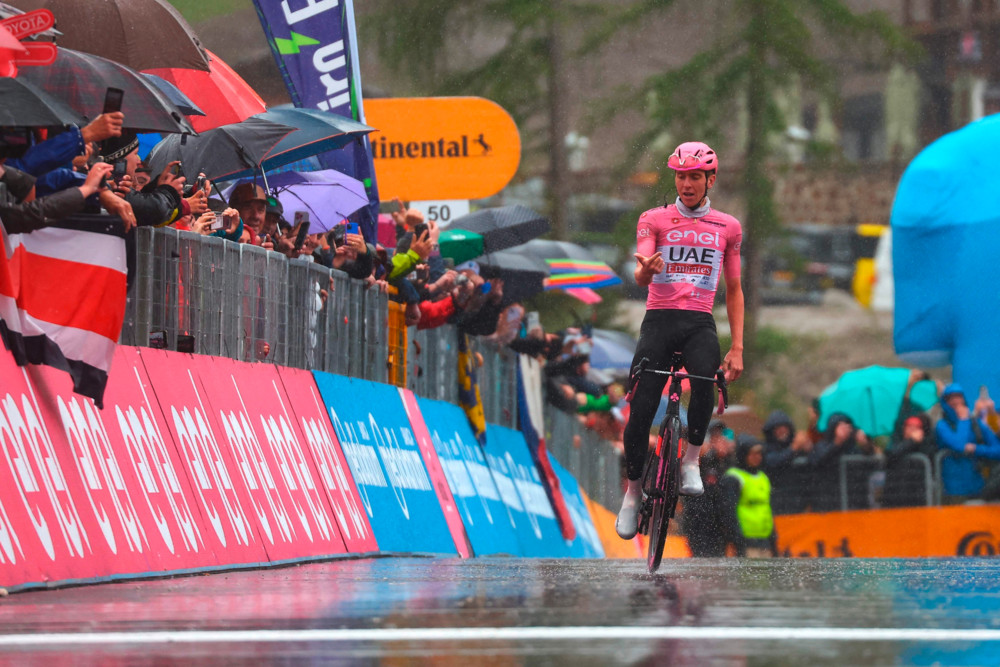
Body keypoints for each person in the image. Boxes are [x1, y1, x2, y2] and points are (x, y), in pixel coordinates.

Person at [616, 141, 744, 540]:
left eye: (695, 177)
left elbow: (736, 289)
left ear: (710, 180)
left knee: (705, 378)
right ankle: (633, 495)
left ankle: (690, 459)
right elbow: (641, 271)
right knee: (640, 410)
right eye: (681, 176)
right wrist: (645, 270)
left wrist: (738, 347)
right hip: (659, 320)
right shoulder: (653, 218)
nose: (687, 184)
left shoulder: (728, 227)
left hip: (699, 323)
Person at [935, 384, 1000, 502]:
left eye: (959, 397)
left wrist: (977, 449)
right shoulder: (942, 425)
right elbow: (959, 445)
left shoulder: (976, 423)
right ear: (945, 402)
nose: (956, 401)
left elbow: (997, 449)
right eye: (951, 398)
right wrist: (963, 420)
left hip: (979, 485)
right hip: (954, 490)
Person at [682, 420, 735, 557]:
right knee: (700, 560)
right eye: (714, 436)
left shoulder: (724, 461)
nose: (718, 440)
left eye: (720, 435)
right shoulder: (697, 460)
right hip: (697, 523)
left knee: (717, 561)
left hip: (718, 523)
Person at [721, 434, 777, 557]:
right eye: (752, 453)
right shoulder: (733, 477)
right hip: (745, 540)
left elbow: (768, 509)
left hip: (764, 539)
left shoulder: (763, 477)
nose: (757, 457)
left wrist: (773, 538)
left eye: (759, 453)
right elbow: (728, 511)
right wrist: (737, 538)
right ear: (743, 454)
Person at [761, 410, 811, 515]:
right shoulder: (766, 447)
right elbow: (773, 462)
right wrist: (794, 448)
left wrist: (809, 449)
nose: (782, 431)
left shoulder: (796, 446)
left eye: (784, 427)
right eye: (777, 428)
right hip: (776, 501)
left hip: (798, 501)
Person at [808, 412, 858, 512]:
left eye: (847, 426)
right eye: (840, 426)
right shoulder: (821, 445)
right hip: (826, 502)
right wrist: (836, 443)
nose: (845, 429)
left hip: (851, 503)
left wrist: (866, 445)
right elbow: (816, 460)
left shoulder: (853, 448)